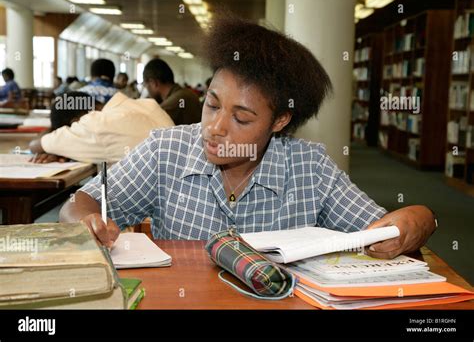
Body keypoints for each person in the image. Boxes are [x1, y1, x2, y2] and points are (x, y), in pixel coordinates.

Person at [59, 15, 437, 260]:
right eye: (211, 105)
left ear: (280, 120)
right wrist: (87, 221)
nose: (216, 127)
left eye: (241, 117)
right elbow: (80, 202)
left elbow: (386, 227)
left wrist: (421, 219)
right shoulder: (165, 149)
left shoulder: (310, 167)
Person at [29, 91, 174, 164]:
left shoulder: (94, 124)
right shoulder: (148, 104)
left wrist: (59, 147)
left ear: (76, 122)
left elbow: (35, 145)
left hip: (151, 211)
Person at [143, 59, 202, 125]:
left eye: (146, 86)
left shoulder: (178, 99)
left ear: (153, 83)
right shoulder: (185, 93)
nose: (148, 92)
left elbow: (146, 123)